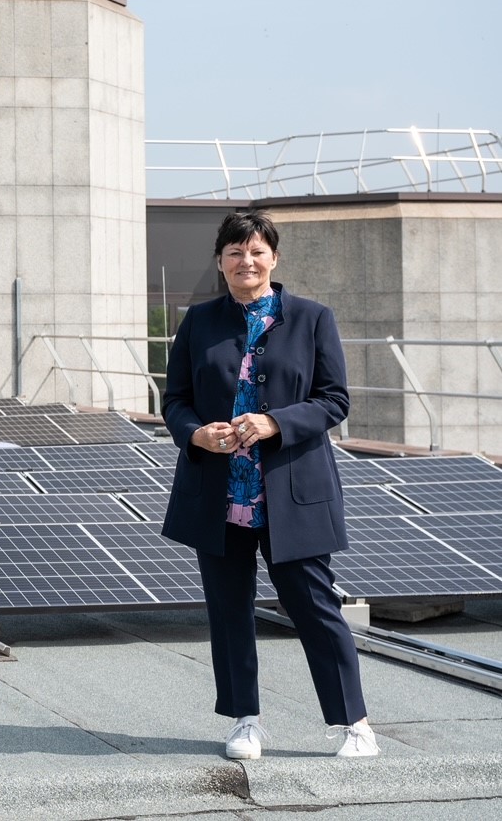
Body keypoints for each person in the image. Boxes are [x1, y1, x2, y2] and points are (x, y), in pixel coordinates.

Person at [161, 210, 377, 760]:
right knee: (229, 611)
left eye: (256, 251)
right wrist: (196, 435)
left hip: (293, 491)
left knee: (314, 606)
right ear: (220, 261)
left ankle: (354, 722)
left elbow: (335, 400)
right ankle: (244, 721)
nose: (246, 261)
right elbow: (176, 399)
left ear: (274, 258)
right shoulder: (199, 321)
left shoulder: (311, 318)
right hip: (219, 493)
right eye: (235, 252)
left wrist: (276, 422)